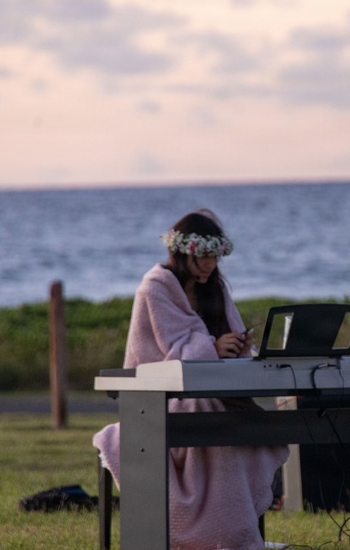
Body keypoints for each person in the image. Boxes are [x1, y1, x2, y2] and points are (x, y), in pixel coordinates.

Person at [92, 209, 289, 550]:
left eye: (215, 256)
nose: (211, 264)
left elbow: (231, 340)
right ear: (182, 252)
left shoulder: (215, 289)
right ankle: (221, 533)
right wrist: (213, 346)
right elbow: (174, 353)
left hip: (211, 388)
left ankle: (234, 529)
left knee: (253, 419)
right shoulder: (154, 288)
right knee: (212, 409)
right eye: (204, 256)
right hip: (159, 397)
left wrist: (239, 345)